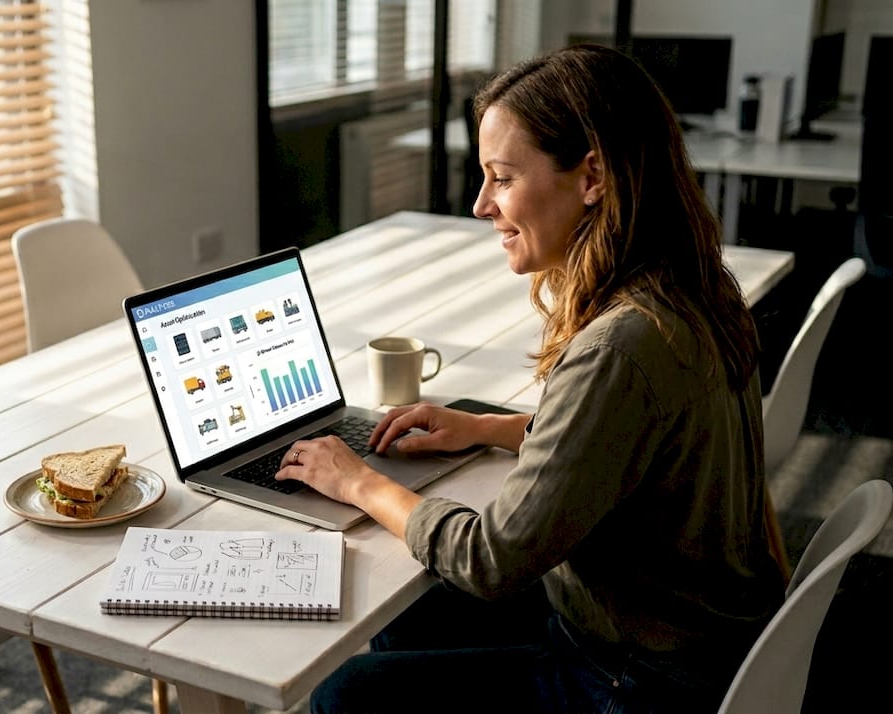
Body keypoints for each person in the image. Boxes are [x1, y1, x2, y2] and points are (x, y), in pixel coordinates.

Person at [275, 44, 787, 713]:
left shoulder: (622, 346)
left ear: (591, 176)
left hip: (633, 678)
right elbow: (630, 443)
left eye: (502, 177)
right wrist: (487, 427)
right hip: (698, 640)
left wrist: (356, 481)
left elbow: (490, 560)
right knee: (407, 612)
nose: (481, 204)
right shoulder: (692, 287)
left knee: (344, 697)